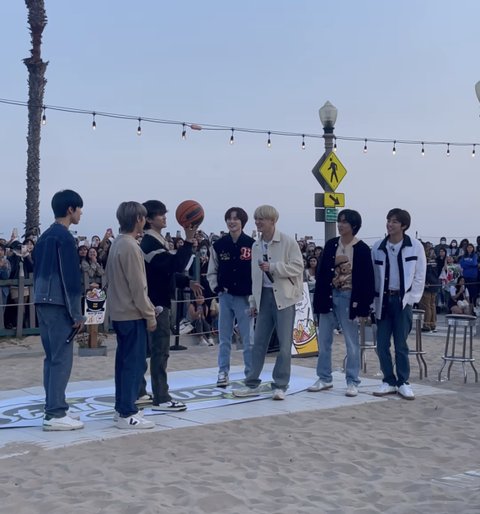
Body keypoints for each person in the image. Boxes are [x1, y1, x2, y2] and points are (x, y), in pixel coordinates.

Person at [233, 205, 304, 400]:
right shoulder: (256, 246)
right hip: (263, 297)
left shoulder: (288, 242)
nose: (258, 222)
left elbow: (298, 267)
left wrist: (273, 267)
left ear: (273, 221)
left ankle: (280, 384)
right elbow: (254, 276)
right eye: (256, 219)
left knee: (284, 345)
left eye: (261, 219)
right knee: (259, 343)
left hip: (284, 297)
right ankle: (251, 383)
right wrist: (253, 302)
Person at [137, 199, 201, 412]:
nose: (165, 217)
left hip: (153, 301)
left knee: (145, 350)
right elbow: (173, 265)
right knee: (160, 350)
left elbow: (165, 272)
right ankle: (161, 397)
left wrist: (187, 282)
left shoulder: (155, 241)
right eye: (160, 214)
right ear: (148, 219)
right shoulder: (149, 243)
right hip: (157, 303)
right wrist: (189, 241)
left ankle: (139, 392)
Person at [33, 189, 85, 431]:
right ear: (70, 209)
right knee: (61, 359)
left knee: (51, 358)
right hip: (59, 304)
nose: (81, 213)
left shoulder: (44, 236)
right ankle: (55, 413)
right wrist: (76, 313)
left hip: (41, 300)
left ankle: (55, 405)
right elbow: (69, 278)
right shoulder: (64, 238)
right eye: (79, 209)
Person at [308, 209, 375, 397]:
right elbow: (321, 273)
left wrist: (363, 306)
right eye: (339, 221)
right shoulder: (331, 245)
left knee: (351, 342)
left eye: (344, 222)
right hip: (328, 296)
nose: (340, 225)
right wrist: (319, 300)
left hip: (349, 298)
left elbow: (368, 279)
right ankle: (324, 377)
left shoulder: (362, 249)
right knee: (324, 340)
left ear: (354, 225)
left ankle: (353, 380)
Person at [106, 201, 157, 429]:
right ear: (138, 219)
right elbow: (138, 286)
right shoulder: (130, 246)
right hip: (131, 313)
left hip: (119, 312)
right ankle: (127, 412)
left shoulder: (117, 243)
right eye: (143, 217)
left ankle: (122, 408)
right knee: (133, 365)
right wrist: (149, 314)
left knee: (124, 363)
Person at [371, 208, 426, 400]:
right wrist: (372, 302)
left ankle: (403, 382)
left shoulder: (415, 246)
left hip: (403, 301)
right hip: (383, 300)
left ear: (404, 225)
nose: (390, 224)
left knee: (401, 344)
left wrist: (412, 299)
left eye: (394, 221)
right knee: (382, 344)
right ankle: (388, 380)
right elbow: (373, 275)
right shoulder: (378, 247)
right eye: (388, 220)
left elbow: (420, 274)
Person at [207, 207, 255, 387]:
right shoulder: (219, 245)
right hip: (225, 296)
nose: (232, 221)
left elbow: (257, 273)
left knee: (248, 338)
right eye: (229, 218)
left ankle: (251, 373)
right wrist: (216, 288)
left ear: (242, 222)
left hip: (245, 298)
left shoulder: (252, 244)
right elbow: (212, 270)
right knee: (224, 338)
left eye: (235, 218)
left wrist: (255, 298)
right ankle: (223, 372)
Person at [418, 246, 441, 333]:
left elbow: (426, 273)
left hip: (428, 284)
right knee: (432, 305)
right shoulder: (435, 261)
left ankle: (427, 324)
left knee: (426, 305)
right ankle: (433, 324)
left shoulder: (426, 262)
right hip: (435, 284)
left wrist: (425, 282)